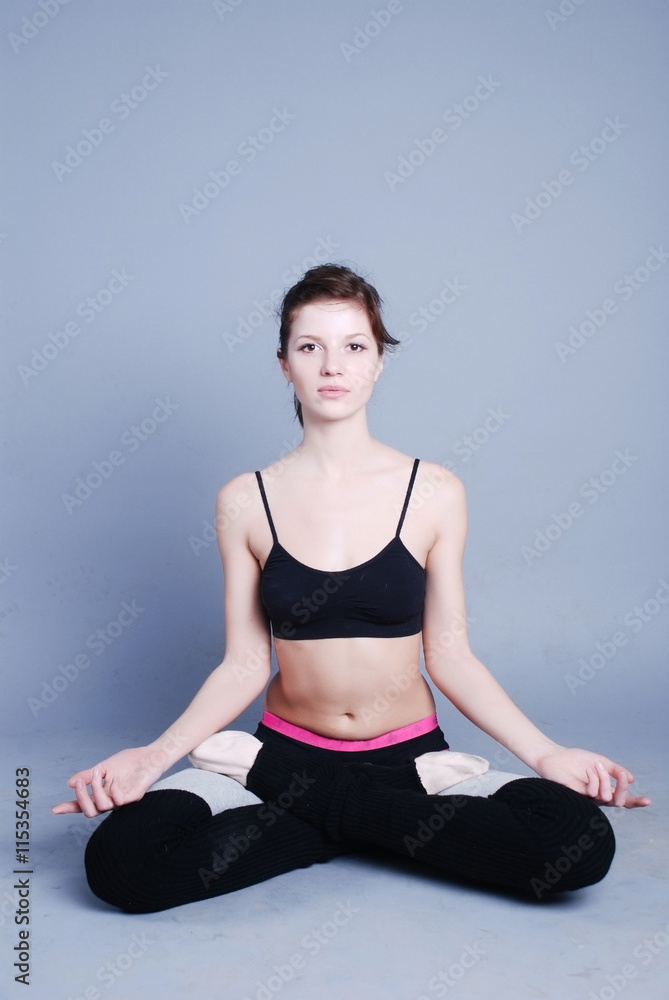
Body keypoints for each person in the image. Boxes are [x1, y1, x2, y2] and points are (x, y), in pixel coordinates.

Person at [52, 264, 650, 913]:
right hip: (289, 747)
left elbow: (450, 655)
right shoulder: (245, 501)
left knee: (577, 843)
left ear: (378, 362)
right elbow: (245, 662)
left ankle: (310, 803)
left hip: (399, 763)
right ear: (284, 364)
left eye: (354, 346)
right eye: (310, 346)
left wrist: (548, 753)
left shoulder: (434, 492)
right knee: (124, 861)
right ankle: (380, 823)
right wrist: (152, 756)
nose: (332, 365)